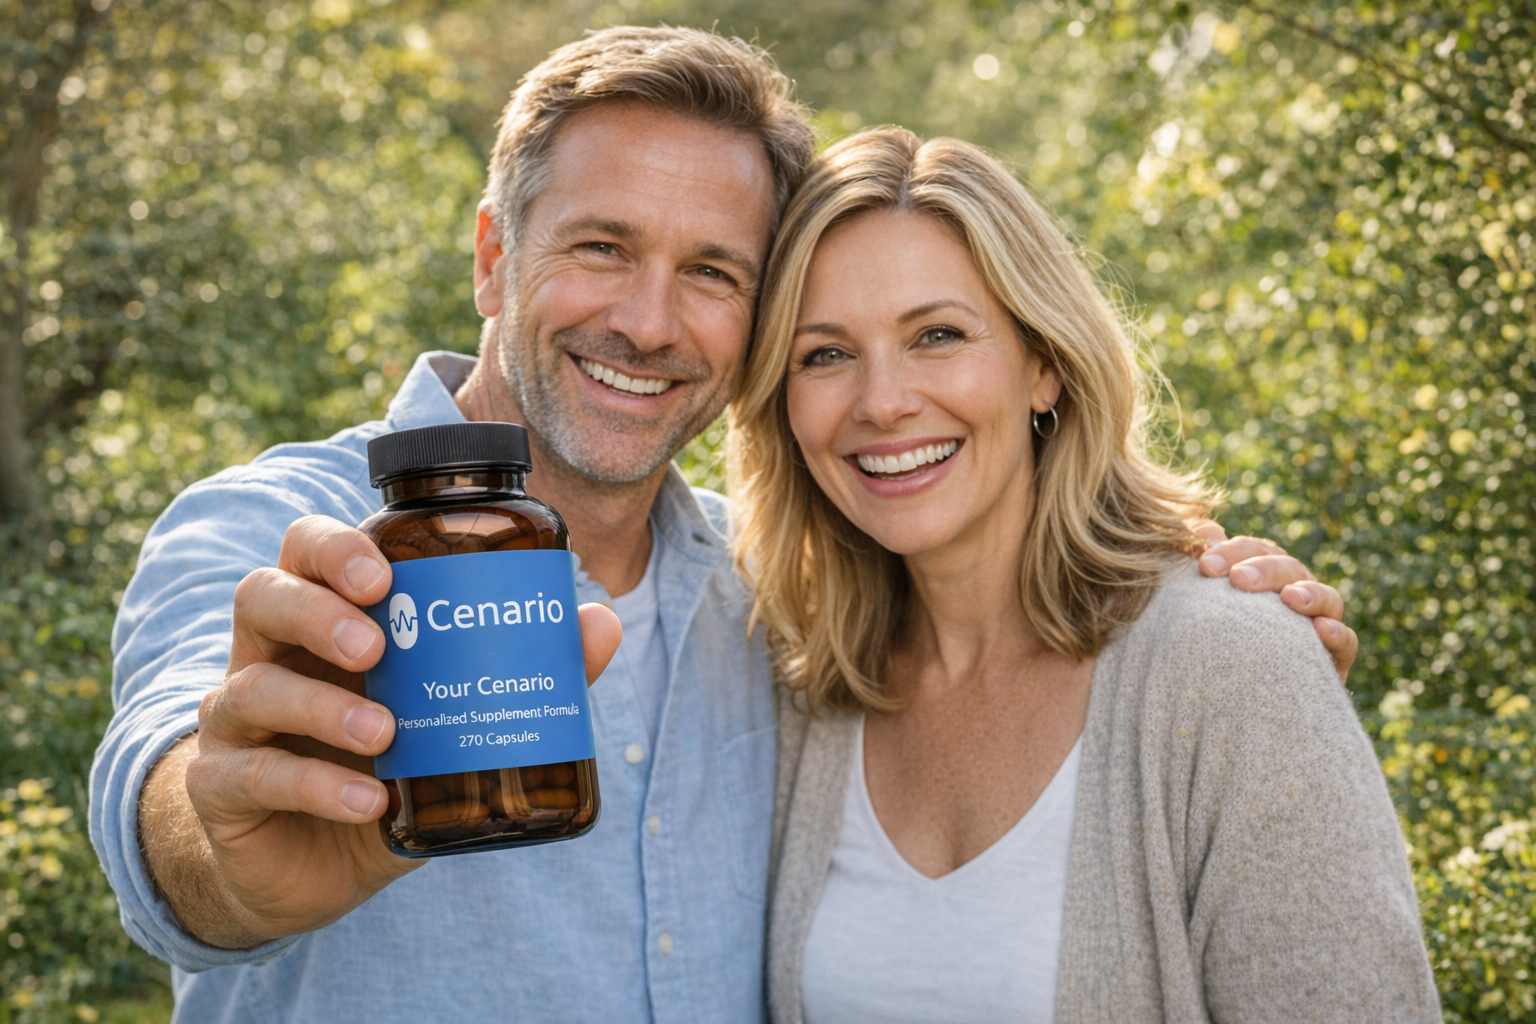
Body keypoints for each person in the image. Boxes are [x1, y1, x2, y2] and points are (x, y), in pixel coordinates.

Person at [88, 28, 1358, 1024]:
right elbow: (172, 769)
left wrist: (1211, 624)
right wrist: (219, 846)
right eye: (601, 245)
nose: (649, 321)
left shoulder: (781, 602)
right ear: (492, 257)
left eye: (713, 273)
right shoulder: (284, 531)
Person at [731, 128, 1437, 1023]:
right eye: (823, 353)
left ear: (1045, 365)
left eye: (937, 335)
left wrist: (1272, 678)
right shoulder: (799, 683)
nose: (882, 401)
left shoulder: (1235, 670)